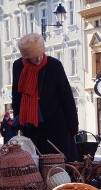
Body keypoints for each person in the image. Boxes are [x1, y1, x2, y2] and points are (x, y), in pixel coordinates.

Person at [12, 33, 78, 163]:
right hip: (31, 124)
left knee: (58, 160)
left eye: (40, 54)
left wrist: (73, 124)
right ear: (26, 57)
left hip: (56, 123)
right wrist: (18, 118)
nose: (38, 59)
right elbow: (16, 94)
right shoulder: (18, 66)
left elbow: (66, 95)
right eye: (33, 57)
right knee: (35, 162)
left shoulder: (54, 65)